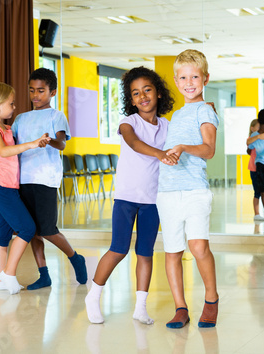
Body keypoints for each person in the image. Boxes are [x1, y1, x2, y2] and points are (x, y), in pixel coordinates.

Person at [85, 67, 177, 324]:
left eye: (147, 90)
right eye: (136, 93)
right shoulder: (129, 122)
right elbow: (134, 143)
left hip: (153, 199)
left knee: (146, 252)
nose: (142, 96)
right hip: (126, 196)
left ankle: (140, 307)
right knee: (118, 249)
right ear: (131, 99)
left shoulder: (168, 126)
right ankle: (93, 296)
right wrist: (160, 154)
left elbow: (183, 143)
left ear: (158, 93)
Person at [157, 49, 219, 328]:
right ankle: (180, 307)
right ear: (176, 80)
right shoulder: (177, 114)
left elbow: (208, 150)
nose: (189, 82)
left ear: (205, 78)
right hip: (167, 191)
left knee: (197, 246)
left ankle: (211, 298)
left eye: (195, 76)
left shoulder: (206, 111)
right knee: (172, 250)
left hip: (194, 190)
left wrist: (182, 148)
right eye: (183, 77)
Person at [12, 68, 87, 289]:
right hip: (23, 179)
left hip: (45, 179)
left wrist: (49, 140)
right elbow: (12, 145)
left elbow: (62, 143)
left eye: (41, 91)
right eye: (32, 90)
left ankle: (75, 257)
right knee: (33, 230)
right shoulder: (20, 118)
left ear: (52, 92)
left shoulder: (56, 116)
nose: (36, 95)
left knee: (48, 229)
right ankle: (44, 274)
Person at [0, 82, 50, 294]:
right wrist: (33, 143)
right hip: (1, 190)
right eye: (11, 104)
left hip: (4, 189)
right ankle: (9, 273)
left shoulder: (6, 128)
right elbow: (4, 152)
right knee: (27, 228)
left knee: (3, 236)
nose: (14, 107)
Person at [246, 119, 264, 221]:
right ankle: (256, 214)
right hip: (254, 169)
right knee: (257, 192)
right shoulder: (252, 139)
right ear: (252, 129)